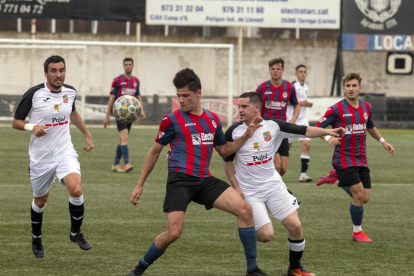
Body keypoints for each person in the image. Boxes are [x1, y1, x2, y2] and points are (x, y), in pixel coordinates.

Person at [128, 68, 269, 276]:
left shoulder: (212, 120)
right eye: (178, 96)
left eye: (186, 95)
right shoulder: (171, 120)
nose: (181, 100)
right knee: (174, 232)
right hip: (180, 180)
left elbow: (224, 151)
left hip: (204, 180)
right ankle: (140, 267)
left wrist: (247, 135)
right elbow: (154, 152)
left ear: (199, 93)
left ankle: (252, 270)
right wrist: (139, 184)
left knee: (245, 211)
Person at [223, 92, 343, 276]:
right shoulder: (233, 131)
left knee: (295, 226)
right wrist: (236, 188)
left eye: (244, 106)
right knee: (266, 235)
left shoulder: (273, 126)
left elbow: (304, 130)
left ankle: (295, 268)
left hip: (273, 186)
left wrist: (327, 132)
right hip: (250, 192)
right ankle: (246, 227)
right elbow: (227, 161)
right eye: (239, 106)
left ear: (256, 108)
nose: (240, 110)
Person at [12, 55, 94, 258]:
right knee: (40, 200)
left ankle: (75, 233)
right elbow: (16, 122)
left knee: (76, 189)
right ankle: (36, 237)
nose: (59, 75)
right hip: (41, 157)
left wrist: (87, 134)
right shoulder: (34, 94)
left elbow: (72, 113)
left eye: (62, 70)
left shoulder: (70, 92)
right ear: (46, 73)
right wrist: (33, 127)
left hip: (64, 151)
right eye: (54, 71)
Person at [316, 72, 394, 243]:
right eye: (348, 86)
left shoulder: (367, 107)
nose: (351, 89)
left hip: (361, 158)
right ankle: (357, 232)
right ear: (343, 88)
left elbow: (370, 126)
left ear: (360, 88)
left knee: (365, 197)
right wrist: (329, 137)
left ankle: (337, 180)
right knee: (358, 196)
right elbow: (318, 127)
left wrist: (383, 141)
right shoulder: (336, 108)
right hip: (343, 158)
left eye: (354, 86)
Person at [256, 57, 300, 177]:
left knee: (284, 168)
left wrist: (293, 119)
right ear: (269, 70)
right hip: (267, 130)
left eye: (278, 68)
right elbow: (254, 106)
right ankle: (271, 189)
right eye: (272, 69)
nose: (275, 71)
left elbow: (297, 105)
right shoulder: (262, 88)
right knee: (277, 165)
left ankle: (272, 188)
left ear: (283, 70)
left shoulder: (289, 87)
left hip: (282, 129)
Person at [103, 57, 146, 173]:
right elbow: (112, 98)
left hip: (131, 115)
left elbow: (138, 97)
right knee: (125, 137)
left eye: (130, 64)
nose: (128, 66)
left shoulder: (136, 81)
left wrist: (141, 111)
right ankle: (127, 163)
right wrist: (107, 116)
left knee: (122, 139)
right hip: (119, 114)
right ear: (123, 66)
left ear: (132, 66)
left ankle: (115, 164)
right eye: (126, 64)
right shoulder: (117, 80)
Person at [287, 65, 313, 182]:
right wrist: (302, 103)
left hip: (303, 120)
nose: (302, 74)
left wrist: (308, 104)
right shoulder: (292, 86)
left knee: (306, 145)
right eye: (300, 72)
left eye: (304, 72)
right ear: (296, 74)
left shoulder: (306, 86)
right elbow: (287, 101)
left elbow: (303, 103)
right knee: (285, 149)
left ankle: (303, 174)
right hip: (291, 120)